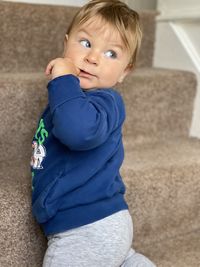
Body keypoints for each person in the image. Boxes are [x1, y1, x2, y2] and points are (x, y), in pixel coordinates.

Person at [31, 0, 156, 266]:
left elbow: (78, 131)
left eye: (111, 54)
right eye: (86, 43)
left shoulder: (105, 101)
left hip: (85, 228)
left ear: (125, 72)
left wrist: (63, 79)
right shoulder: (71, 100)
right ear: (66, 44)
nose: (93, 57)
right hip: (104, 224)